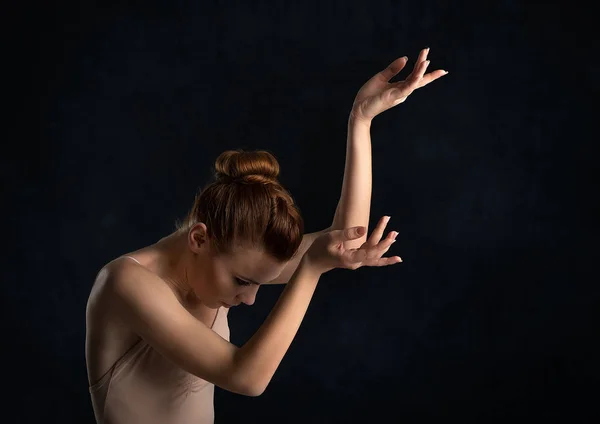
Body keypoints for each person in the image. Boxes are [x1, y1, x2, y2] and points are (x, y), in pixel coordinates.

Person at [85, 47, 447, 424]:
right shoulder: (127, 282)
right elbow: (246, 377)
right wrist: (308, 270)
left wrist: (361, 121)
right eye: (243, 281)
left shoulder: (225, 260)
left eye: (258, 282)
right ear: (199, 238)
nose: (251, 298)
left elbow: (346, 241)